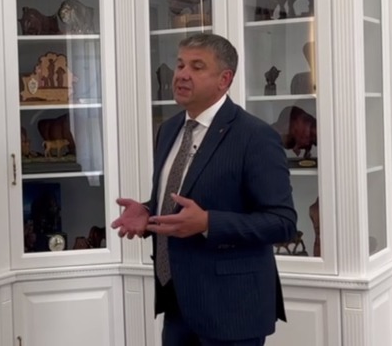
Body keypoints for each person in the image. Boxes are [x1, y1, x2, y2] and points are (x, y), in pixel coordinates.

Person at [111, 33, 297, 346]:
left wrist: (209, 223)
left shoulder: (256, 137)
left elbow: (283, 222)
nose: (182, 74)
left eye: (197, 67)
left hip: (232, 310)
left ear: (224, 79)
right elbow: (181, 199)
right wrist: (148, 212)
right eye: (180, 64)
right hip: (176, 303)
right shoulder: (169, 129)